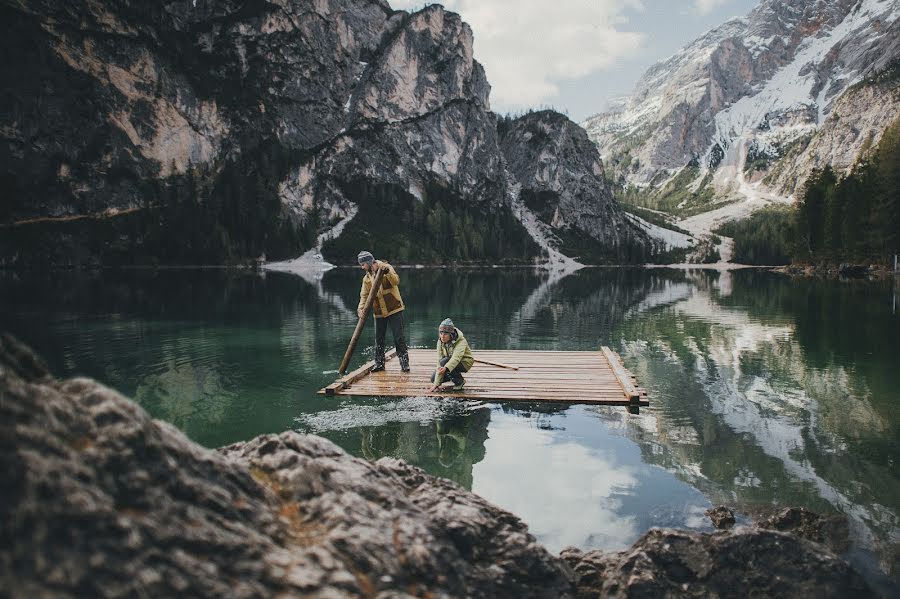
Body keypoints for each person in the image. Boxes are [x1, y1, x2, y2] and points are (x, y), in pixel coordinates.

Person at [356, 250, 410, 372]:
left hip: (394, 309)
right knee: (379, 339)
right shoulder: (366, 279)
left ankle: (404, 364)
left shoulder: (386, 267)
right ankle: (379, 364)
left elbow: (396, 281)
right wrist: (360, 308)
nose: (362, 267)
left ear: (369, 262)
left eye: (363, 264)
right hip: (379, 313)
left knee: (399, 338)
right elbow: (364, 296)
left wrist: (387, 272)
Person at [429, 318, 474, 392]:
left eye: (445, 334)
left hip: (465, 363)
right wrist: (436, 384)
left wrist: (446, 368)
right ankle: (452, 375)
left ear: (451, 334)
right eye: (441, 333)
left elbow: (456, 359)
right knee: (433, 379)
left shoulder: (461, 341)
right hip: (448, 362)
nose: (442, 336)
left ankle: (459, 381)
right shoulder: (440, 341)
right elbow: (439, 361)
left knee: (445, 362)